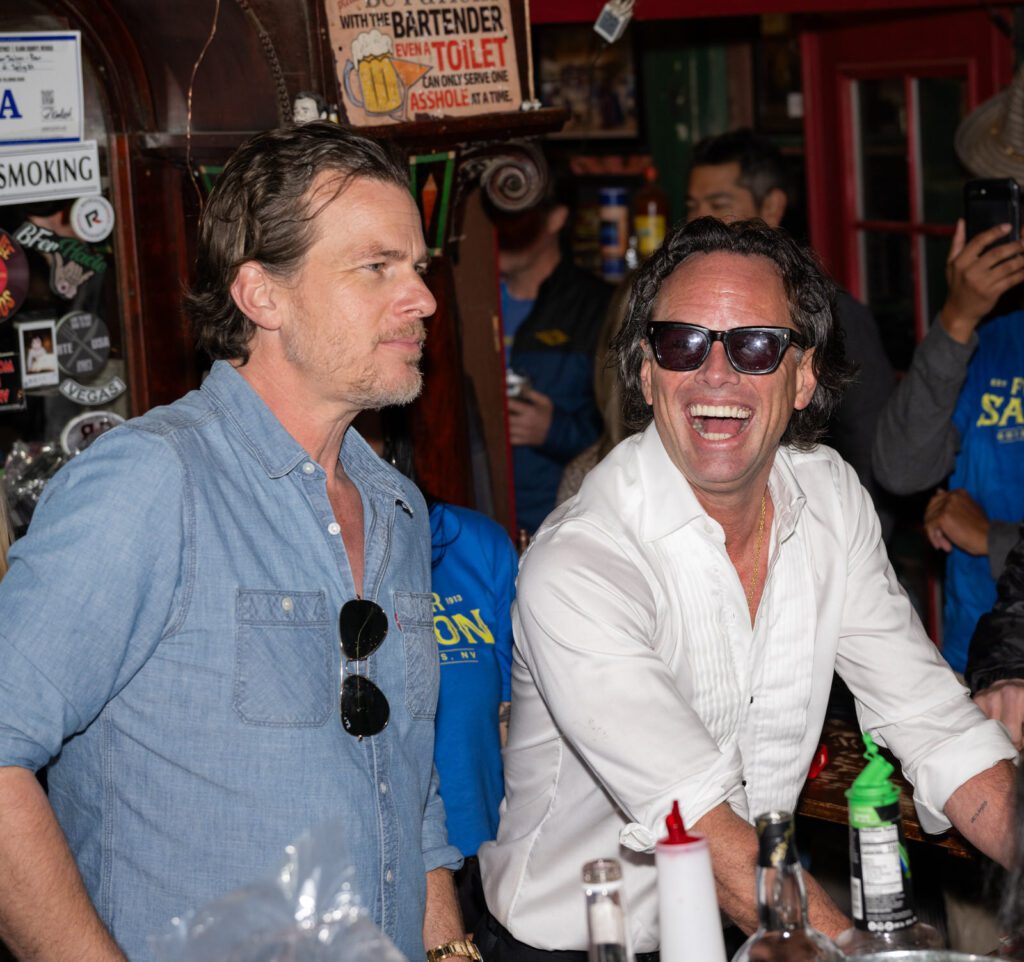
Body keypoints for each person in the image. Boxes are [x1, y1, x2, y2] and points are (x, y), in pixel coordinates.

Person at [476, 217, 1018, 960]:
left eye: (756, 345)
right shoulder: (582, 562)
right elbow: (702, 826)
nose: (716, 375)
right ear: (644, 371)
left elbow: (935, 724)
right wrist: (860, 955)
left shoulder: (828, 500)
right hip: (583, 945)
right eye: (682, 343)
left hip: (744, 928)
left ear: (803, 378)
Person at [0, 123, 473, 962]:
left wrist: (448, 951)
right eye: (377, 268)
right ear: (262, 296)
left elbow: (407, 782)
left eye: (419, 269)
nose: (424, 299)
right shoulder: (154, 483)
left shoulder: (394, 504)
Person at [873, 68, 1024, 676]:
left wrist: (993, 540)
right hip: (981, 665)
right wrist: (957, 321)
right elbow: (903, 468)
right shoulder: (982, 329)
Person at [686, 128, 896, 533]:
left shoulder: (831, 314)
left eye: (719, 204)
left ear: (774, 206)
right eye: (693, 205)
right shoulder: (682, 306)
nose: (701, 220)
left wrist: (857, 541)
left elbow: (873, 443)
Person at [364, 408, 518, 936]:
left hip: (486, 855)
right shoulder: (312, 554)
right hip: (377, 864)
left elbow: (510, 716)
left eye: (366, 424)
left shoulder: (477, 543)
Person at [487, 178, 612, 534]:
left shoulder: (596, 307)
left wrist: (555, 431)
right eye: (495, 214)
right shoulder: (457, 300)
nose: (504, 228)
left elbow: (630, 427)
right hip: (476, 523)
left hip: (560, 524)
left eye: (517, 214)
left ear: (556, 218)